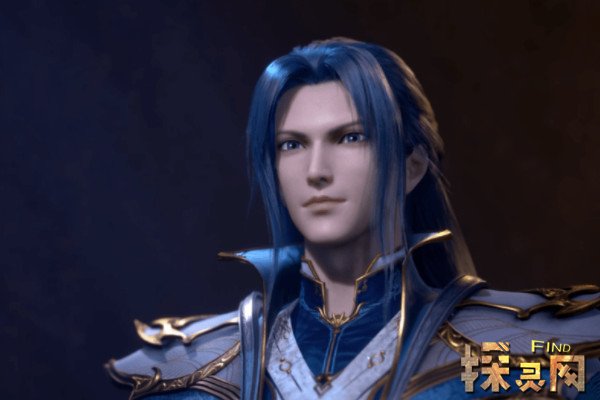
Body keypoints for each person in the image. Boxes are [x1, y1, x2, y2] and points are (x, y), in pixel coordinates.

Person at [105, 38, 600, 399]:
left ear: (412, 167)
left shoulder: (533, 349)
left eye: (350, 137)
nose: (316, 171)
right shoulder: (185, 367)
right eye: (292, 145)